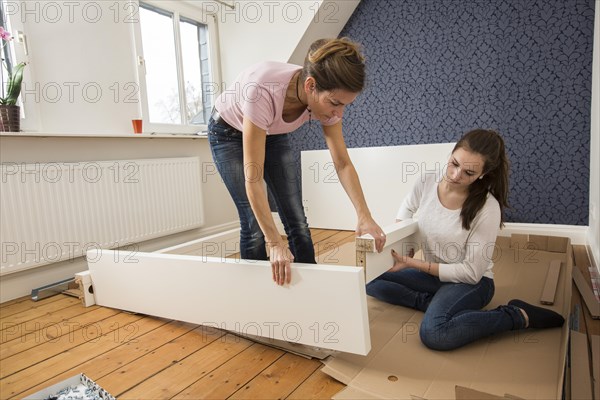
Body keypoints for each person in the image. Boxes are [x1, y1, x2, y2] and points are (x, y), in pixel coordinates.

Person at [208, 38, 386, 286]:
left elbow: (343, 163)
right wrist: (275, 243)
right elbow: (254, 178)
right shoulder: (262, 90)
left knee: (296, 218)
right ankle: (257, 295)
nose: (339, 114)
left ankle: (310, 288)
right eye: (335, 103)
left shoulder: (326, 99)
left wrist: (364, 215)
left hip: (271, 131)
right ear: (311, 85)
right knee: (254, 225)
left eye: (346, 106)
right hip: (228, 133)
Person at [366, 129, 564, 350]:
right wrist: (406, 248)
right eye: (454, 163)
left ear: (483, 174)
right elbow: (406, 210)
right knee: (370, 278)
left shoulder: (487, 207)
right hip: (434, 277)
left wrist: (413, 263)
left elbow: (471, 272)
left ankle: (516, 315)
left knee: (435, 334)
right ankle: (435, 304)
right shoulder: (426, 181)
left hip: (472, 282)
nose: (455, 175)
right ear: (451, 154)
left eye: (468, 172)